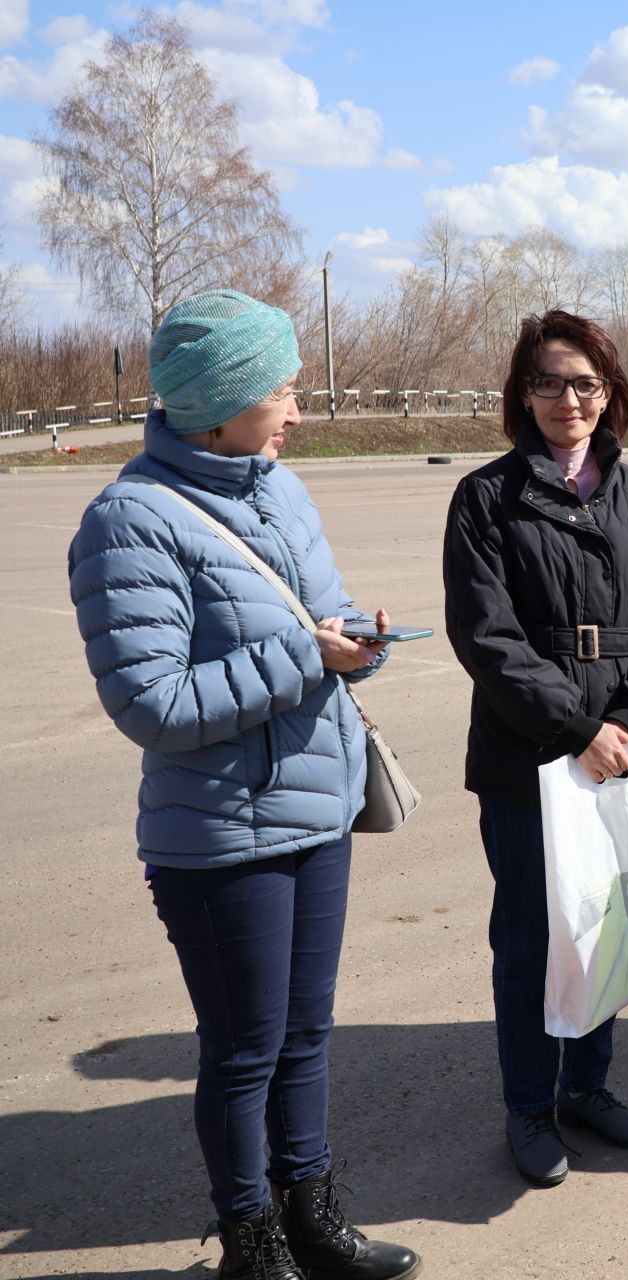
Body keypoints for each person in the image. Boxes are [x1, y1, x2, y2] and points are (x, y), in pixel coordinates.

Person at [67, 290, 419, 1280]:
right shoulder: (128, 520)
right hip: (220, 835)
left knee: (306, 1033)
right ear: (219, 404)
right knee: (243, 1048)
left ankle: (314, 1217)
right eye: (282, 390)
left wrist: (359, 644)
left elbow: (323, 615)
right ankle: (251, 1240)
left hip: (318, 808)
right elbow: (151, 701)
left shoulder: (279, 486)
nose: (298, 410)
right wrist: (310, 659)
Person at [442, 311, 628, 1188]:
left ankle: (588, 1087)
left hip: (623, 749)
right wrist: (576, 729)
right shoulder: (486, 497)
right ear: (522, 394)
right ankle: (529, 1105)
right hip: (531, 758)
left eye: (585, 383)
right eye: (548, 382)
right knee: (528, 940)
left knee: (605, 923)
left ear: (611, 393)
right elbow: (488, 636)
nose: (568, 400)